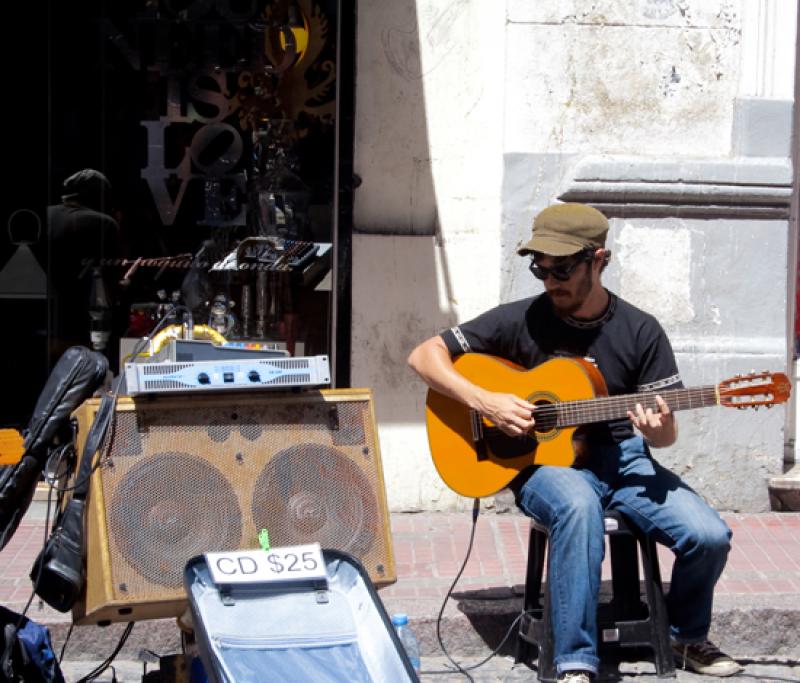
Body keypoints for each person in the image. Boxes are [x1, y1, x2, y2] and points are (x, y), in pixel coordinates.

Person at [407, 203, 741, 682]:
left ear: (599, 259)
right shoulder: (516, 319)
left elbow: (666, 436)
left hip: (625, 461)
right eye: (540, 268)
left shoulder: (640, 330)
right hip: (547, 469)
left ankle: (686, 637)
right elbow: (423, 356)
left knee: (709, 536)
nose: (550, 280)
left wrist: (656, 428)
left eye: (562, 268)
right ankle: (575, 663)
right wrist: (485, 401)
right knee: (578, 507)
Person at [38, 169, 120, 368]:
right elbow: (109, 285)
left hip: (39, 326)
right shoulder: (103, 224)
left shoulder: (43, 216)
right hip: (77, 331)